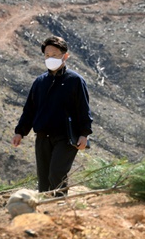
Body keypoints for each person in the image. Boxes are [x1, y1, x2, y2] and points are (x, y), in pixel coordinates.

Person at [12, 36, 92, 195]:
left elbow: (83, 109)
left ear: (65, 56)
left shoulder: (75, 81)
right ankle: (46, 213)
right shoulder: (39, 82)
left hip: (67, 137)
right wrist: (20, 131)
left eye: (54, 55)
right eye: (47, 55)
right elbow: (29, 110)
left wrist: (84, 134)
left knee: (56, 173)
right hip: (42, 137)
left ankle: (60, 207)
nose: (50, 58)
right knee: (44, 180)